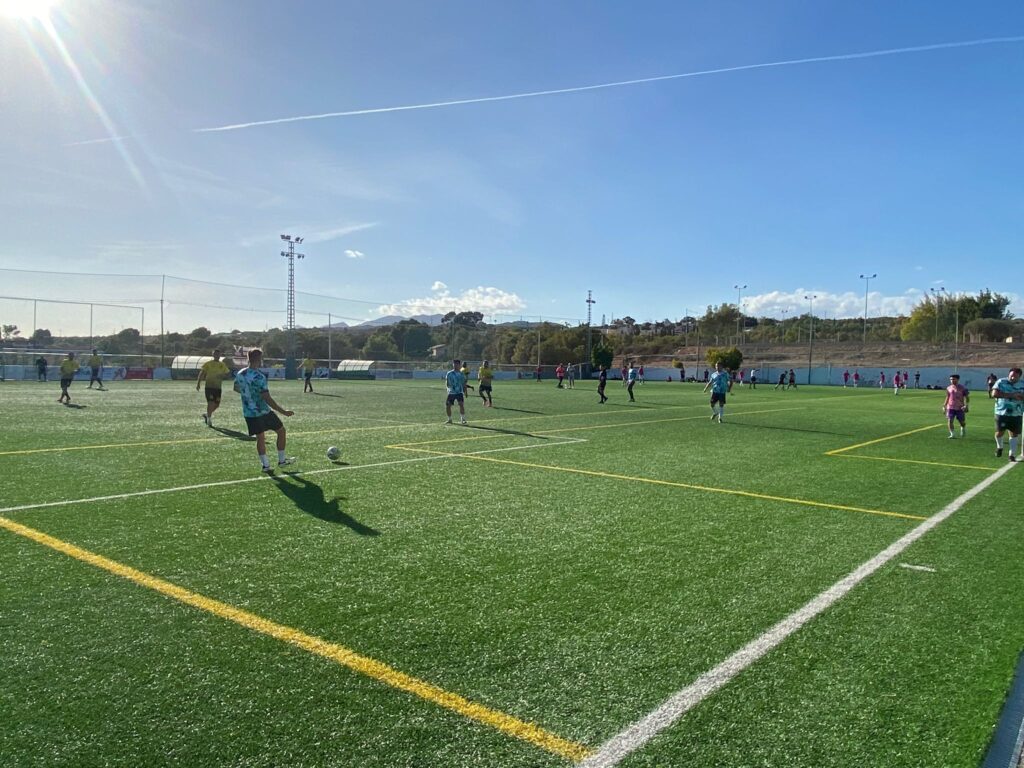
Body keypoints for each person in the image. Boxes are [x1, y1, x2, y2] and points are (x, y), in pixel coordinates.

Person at [235, 348, 294, 473]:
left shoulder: (240, 373)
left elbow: (236, 388)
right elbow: (267, 398)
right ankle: (282, 461)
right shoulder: (259, 377)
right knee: (281, 431)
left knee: (260, 438)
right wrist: (284, 411)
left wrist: (248, 394)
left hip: (249, 412)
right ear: (259, 359)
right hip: (262, 411)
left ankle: (266, 465)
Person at [992, 368, 1024, 461]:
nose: (1012, 377)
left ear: (1019, 376)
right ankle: (1000, 447)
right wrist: (1012, 395)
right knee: (999, 433)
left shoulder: (1022, 384)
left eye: (1015, 376)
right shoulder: (1001, 382)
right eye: (1011, 375)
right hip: (1001, 412)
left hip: (1017, 413)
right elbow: (994, 394)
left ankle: (1012, 454)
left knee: (1014, 434)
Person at [197, 349, 231, 426]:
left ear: (220, 355)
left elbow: (228, 374)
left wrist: (224, 376)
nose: (217, 356)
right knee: (211, 402)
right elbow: (202, 373)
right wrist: (198, 383)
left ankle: (206, 414)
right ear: (213, 355)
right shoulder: (208, 364)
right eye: (215, 354)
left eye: (218, 354)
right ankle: (209, 419)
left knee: (217, 405)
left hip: (218, 388)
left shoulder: (222, 365)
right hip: (209, 387)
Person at [943, 374, 969, 438]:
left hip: (960, 407)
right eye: (951, 379)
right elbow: (948, 396)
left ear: (957, 379)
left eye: (953, 379)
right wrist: (944, 405)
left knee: (962, 422)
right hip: (950, 407)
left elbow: (967, 397)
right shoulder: (948, 388)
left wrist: (966, 405)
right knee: (950, 420)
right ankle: (952, 434)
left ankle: (962, 428)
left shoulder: (963, 388)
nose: (952, 380)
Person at [445, 359, 468, 425]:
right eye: (454, 364)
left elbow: (464, 383)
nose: (455, 365)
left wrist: (465, 391)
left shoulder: (461, 374)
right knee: (448, 406)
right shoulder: (449, 373)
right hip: (451, 392)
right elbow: (447, 382)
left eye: (457, 364)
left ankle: (463, 419)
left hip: (459, 392)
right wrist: (448, 388)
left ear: (459, 365)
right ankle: (449, 419)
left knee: (461, 404)